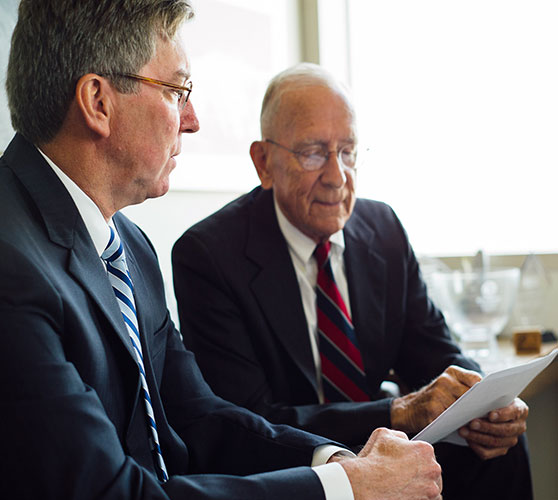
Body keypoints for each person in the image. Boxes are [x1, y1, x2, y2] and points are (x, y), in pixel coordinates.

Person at [0, 2, 447, 500]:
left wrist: (334, 458)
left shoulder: (128, 244)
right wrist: (347, 489)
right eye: (175, 91)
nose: (191, 121)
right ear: (98, 102)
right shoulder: (10, 263)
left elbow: (197, 415)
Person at [172, 63, 532, 500]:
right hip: (294, 464)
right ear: (263, 163)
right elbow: (249, 419)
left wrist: (488, 403)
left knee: (496, 447)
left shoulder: (382, 227)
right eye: (313, 153)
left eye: (348, 151)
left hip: (386, 440)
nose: (337, 177)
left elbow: (437, 352)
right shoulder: (209, 254)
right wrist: (397, 413)